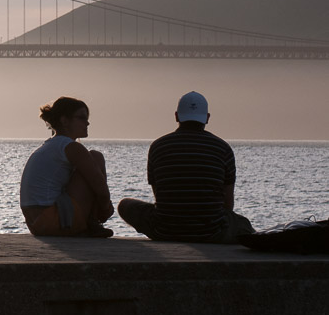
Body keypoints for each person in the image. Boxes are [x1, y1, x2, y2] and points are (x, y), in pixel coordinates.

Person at [117, 90, 254, 244]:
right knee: (244, 224)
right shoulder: (223, 148)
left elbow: (159, 195)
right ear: (207, 118)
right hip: (213, 234)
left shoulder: (158, 147)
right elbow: (228, 204)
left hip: (164, 230)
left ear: (176, 116)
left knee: (125, 205)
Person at [19, 96, 115, 237]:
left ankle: (89, 223)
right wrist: (106, 209)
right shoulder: (70, 147)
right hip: (53, 221)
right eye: (81, 118)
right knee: (96, 157)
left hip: (36, 224)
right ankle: (93, 223)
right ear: (64, 121)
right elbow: (101, 189)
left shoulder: (51, 145)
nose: (87, 123)